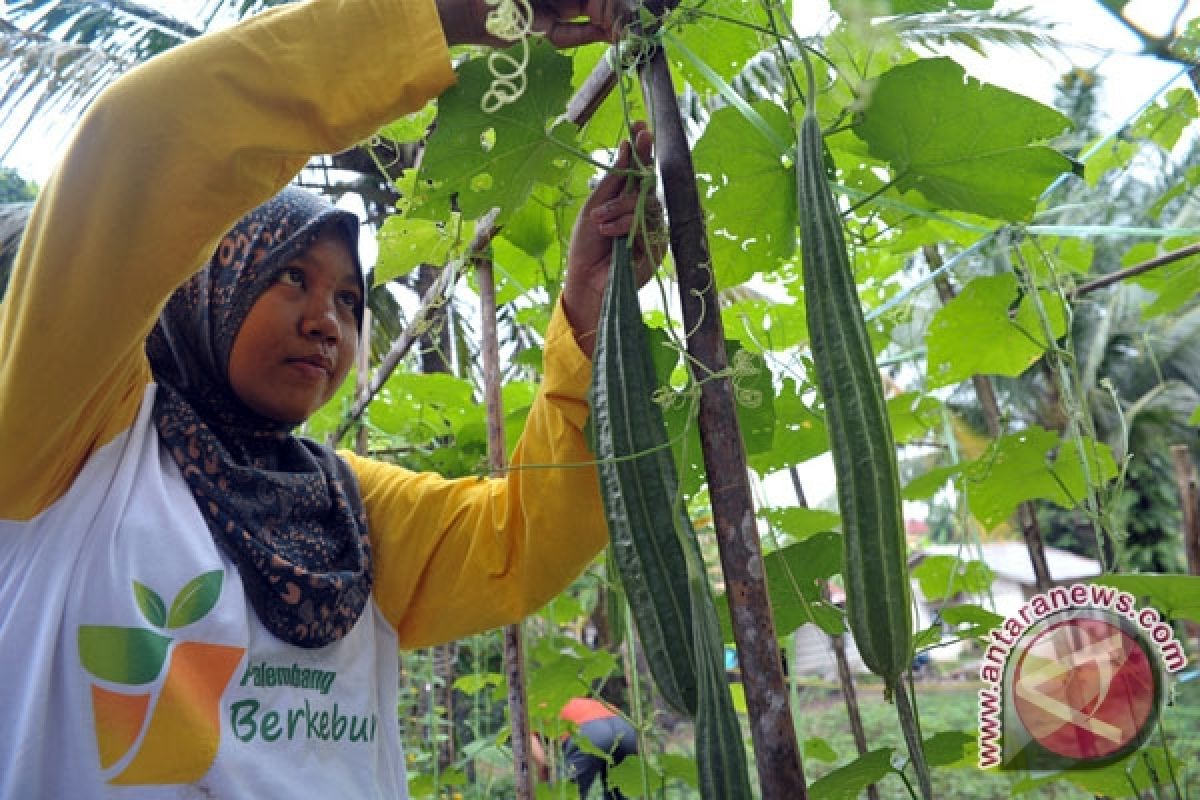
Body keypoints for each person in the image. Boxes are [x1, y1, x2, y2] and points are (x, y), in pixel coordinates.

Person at [0, 0, 662, 796]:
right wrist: (443, 15)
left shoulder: (348, 506)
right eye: (292, 277)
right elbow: (142, 145)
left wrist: (588, 325)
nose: (328, 321)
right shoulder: (70, 444)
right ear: (209, 285)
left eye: (351, 301)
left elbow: (522, 540)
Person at [531, 697, 639, 799]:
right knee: (618, 793)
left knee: (564, 794)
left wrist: (545, 789)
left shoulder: (526, 718)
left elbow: (541, 761)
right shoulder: (561, 702)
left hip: (591, 731)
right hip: (625, 727)